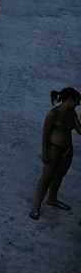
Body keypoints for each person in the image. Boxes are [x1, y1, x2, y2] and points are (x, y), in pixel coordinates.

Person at [30, 87, 80, 219]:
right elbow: (45, 133)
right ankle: (36, 207)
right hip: (54, 148)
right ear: (70, 100)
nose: (78, 104)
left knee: (60, 175)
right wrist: (44, 152)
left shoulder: (72, 113)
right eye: (77, 101)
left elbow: (79, 130)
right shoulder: (53, 114)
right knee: (46, 178)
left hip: (67, 149)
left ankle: (52, 199)